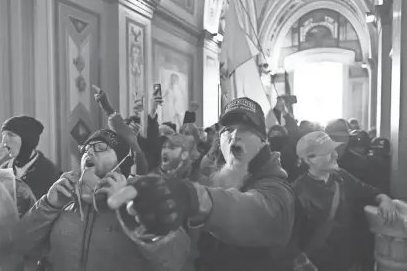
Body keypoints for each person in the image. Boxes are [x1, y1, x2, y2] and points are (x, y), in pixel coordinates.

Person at [107, 97, 297, 271]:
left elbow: (252, 210)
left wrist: (194, 197)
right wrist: (147, 225)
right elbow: (182, 254)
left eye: (246, 130)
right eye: (228, 130)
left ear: (263, 142)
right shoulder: (210, 179)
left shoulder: (277, 189)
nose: (235, 135)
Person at [13, 129, 191, 271]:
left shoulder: (142, 197)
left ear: (121, 163)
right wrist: (48, 205)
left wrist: (129, 211)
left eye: (100, 147)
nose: (89, 151)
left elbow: (175, 260)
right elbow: (19, 245)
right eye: (86, 148)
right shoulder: (63, 199)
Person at [293, 131, 397, 271]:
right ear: (309, 159)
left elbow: (367, 190)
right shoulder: (296, 192)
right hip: (317, 265)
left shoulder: (341, 177)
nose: (335, 155)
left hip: (346, 262)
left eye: (334, 150)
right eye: (328, 152)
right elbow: (288, 242)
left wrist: (384, 198)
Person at [0, 115, 60, 199]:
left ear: (27, 140)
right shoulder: (3, 169)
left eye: (11, 134)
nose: (4, 140)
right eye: (3, 134)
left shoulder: (50, 172)